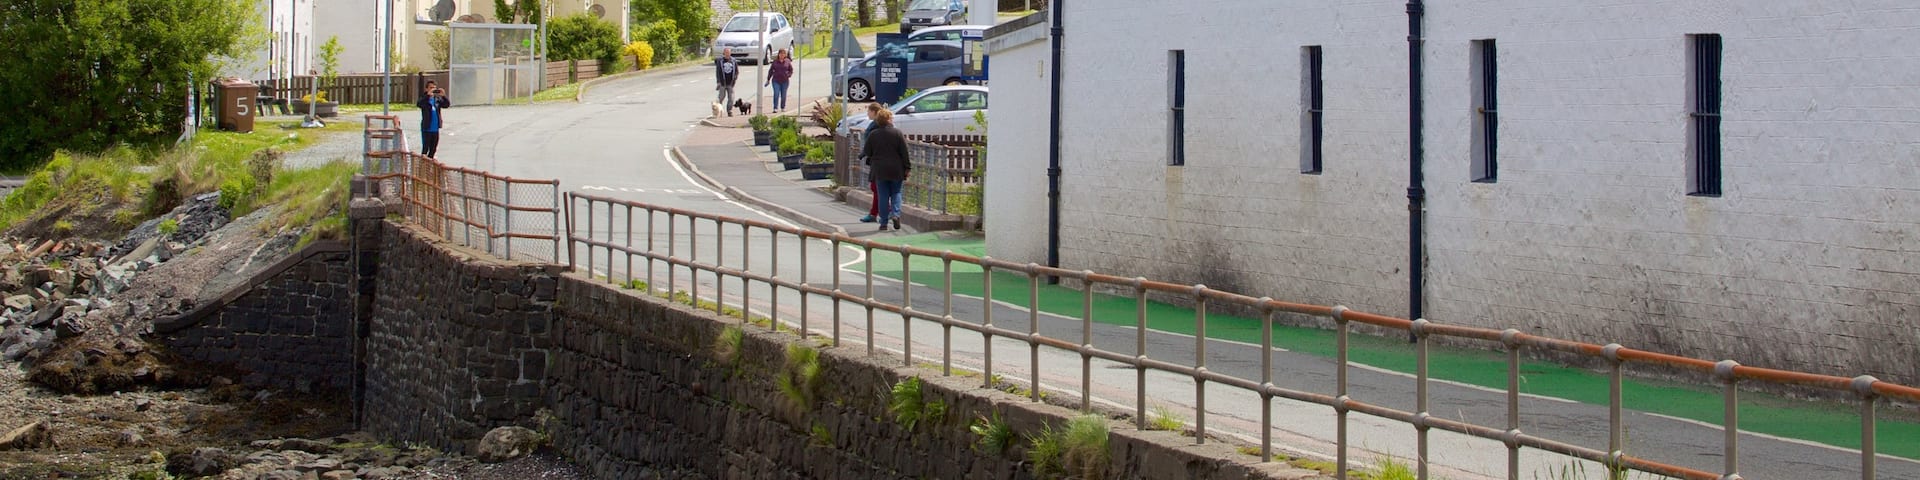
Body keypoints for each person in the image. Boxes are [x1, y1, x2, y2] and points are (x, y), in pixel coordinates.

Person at [864, 107, 911, 231]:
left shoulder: (873, 134)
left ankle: (883, 222)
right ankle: (895, 214)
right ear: (889, 119)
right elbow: (904, 152)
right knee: (896, 192)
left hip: (879, 169)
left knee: (883, 195)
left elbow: (867, 151)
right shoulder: (897, 133)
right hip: (896, 169)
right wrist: (907, 167)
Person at [416, 80, 450, 158]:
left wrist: (443, 96)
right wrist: (428, 96)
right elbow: (419, 104)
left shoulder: (437, 99)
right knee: (425, 148)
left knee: (433, 149)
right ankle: (423, 166)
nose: (433, 90)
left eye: (434, 88)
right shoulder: (424, 98)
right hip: (427, 128)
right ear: (426, 89)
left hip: (435, 128)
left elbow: (446, 105)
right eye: (431, 88)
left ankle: (430, 165)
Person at [715, 48, 739, 114]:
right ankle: (718, 110)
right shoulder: (720, 61)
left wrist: (735, 78)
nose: (727, 54)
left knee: (731, 98)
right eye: (726, 52)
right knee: (721, 97)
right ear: (724, 53)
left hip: (731, 83)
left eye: (728, 52)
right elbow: (718, 72)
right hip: (722, 83)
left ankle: (729, 111)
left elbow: (736, 71)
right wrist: (718, 81)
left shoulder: (733, 60)